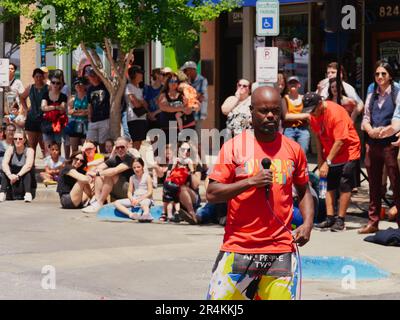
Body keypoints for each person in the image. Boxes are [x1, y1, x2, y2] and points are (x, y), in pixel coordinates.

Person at [206, 86, 314, 301]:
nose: (271, 115)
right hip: (239, 247)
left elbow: (303, 190)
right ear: (252, 112)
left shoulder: (294, 149)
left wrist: (308, 224)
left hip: (280, 250)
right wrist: (250, 182)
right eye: (264, 111)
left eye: (275, 110)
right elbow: (212, 192)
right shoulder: (234, 147)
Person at [304, 92, 361, 232]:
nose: (312, 114)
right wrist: (320, 158)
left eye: (313, 110)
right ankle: (329, 218)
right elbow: (318, 137)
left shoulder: (335, 113)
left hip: (348, 151)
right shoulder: (313, 116)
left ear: (320, 104)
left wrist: (327, 162)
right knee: (329, 183)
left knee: (344, 184)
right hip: (331, 152)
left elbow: (340, 141)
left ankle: (340, 220)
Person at [359, 61, 400, 233]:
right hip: (373, 142)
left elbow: (398, 118)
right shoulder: (372, 93)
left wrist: (386, 130)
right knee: (374, 185)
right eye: (377, 74)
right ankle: (373, 222)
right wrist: (370, 130)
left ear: (390, 75)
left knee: (396, 184)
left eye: (383, 74)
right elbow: (365, 118)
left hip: (391, 144)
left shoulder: (397, 92)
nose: (380, 77)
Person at [82, 137, 135, 213]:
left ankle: (100, 202)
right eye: (117, 147)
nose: (120, 149)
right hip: (120, 189)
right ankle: (97, 201)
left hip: (131, 191)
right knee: (101, 174)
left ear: (127, 147)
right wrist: (91, 173)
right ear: (115, 148)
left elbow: (115, 170)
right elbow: (99, 167)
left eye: (122, 147)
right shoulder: (115, 158)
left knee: (109, 174)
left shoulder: (130, 158)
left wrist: (97, 173)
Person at [0, 129, 36, 202]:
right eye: (15, 139)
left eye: (20, 139)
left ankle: (28, 194)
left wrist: (17, 176)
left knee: (28, 171)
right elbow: (4, 164)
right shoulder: (10, 149)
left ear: (24, 140)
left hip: (23, 177)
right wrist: (9, 175)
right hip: (12, 178)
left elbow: (28, 165)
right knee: (5, 170)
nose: (17, 140)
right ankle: (2, 193)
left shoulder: (29, 150)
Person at [114, 157, 154, 222]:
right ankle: (131, 214)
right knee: (116, 203)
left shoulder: (147, 176)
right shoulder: (132, 178)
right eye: (134, 168)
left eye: (138, 167)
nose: (136, 169)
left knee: (144, 204)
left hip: (145, 198)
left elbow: (150, 192)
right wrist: (131, 199)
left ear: (142, 167)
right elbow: (129, 192)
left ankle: (146, 214)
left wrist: (140, 199)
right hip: (135, 198)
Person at [19, 68, 48, 157]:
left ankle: (48, 167)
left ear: (43, 77)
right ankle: (31, 166)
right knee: (32, 145)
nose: (38, 78)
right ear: (33, 77)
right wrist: (26, 109)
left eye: (40, 76)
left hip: (45, 119)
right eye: (36, 76)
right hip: (32, 118)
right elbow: (22, 97)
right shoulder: (30, 87)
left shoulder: (48, 88)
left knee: (44, 145)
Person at [282, 76, 310, 154]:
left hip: (303, 129)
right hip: (289, 129)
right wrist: (304, 115)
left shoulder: (304, 98)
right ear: (287, 85)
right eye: (290, 83)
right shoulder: (284, 99)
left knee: (303, 153)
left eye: (295, 83)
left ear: (299, 85)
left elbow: (309, 114)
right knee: (291, 153)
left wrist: (305, 115)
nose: (293, 85)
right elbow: (286, 116)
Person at [86, 66, 111, 153]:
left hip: (104, 118)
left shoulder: (105, 86)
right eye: (91, 76)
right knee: (91, 143)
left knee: (102, 143)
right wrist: (89, 118)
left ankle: (103, 161)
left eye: (94, 75)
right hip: (93, 120)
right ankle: (94, 161)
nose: (93, 77)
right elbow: (90, 105)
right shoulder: (89, 89)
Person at [41, 75, 68, 152]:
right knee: (48, 149)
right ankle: (48, 164)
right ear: (50, 84)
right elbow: (43, 108)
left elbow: (62, 109)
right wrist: (55, 107)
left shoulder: (63, 96)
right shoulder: (46, 94)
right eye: (53, 82)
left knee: (57, 149)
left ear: (61, 84)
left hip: (58, 125)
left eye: (58, 83)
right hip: (47, 124)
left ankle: (58, 164)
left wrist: (49, 107)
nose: (55, 85)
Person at [158, 73, 188, 143]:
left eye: (175, 81)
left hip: (179, 128)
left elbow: (187, 108)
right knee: (166, 150)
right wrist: (181, 108)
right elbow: (165, 108)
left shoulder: (182, 95)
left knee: (177, 150)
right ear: (167, 83)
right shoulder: (163, 95)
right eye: (171, 81)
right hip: (166, 126)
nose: (173, 83)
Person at [181, 61, 208, 137]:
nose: (185, 73)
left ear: (192, 70)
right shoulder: (187, 82)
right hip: (188, 113)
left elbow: (197, 95)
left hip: (198, 114)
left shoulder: (202, 80)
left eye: (186, 70)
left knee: (198, 135)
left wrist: (189, 95)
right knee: (189, 136)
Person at [125, 66, 148, 150]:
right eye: (140, 73)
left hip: (142, 118)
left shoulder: (139, 88)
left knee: (140, 142)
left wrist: (140, 102)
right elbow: (136, 104)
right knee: (135, 142)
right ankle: (133, 160)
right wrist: (141, 102)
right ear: (135, 74)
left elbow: (145, 104)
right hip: (133, 119)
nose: (142, 74)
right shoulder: (129, 87)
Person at [67, 77, 89, 153]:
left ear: (84, 86)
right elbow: (69, 111)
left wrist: (76, 111)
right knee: (74, 149)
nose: (78, 86)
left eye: (80, 84)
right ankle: (74, 164)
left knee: (85, 149)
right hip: (74, 124)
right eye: (76, 85)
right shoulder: (73, 98)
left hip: (85, 124)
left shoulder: (88, 97)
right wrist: (81, 111)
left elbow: (89, 111)